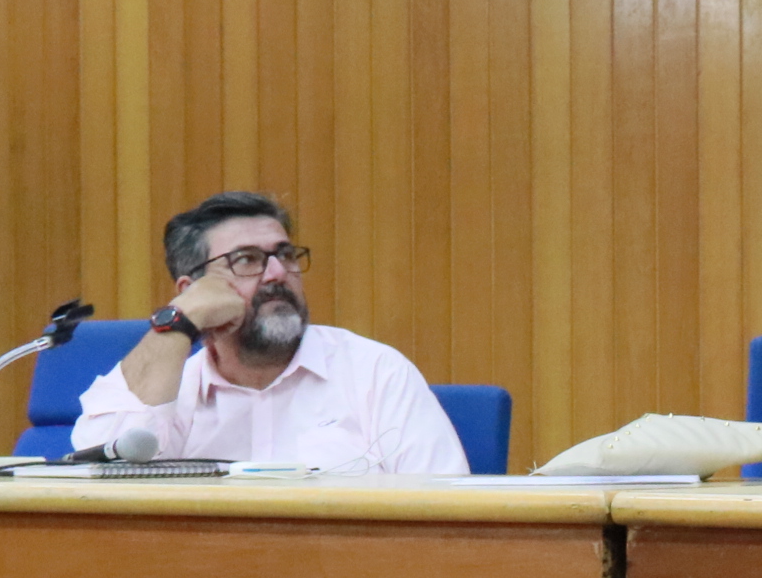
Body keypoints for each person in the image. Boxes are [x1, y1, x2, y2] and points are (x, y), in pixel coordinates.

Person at [73, 191, 468, 473]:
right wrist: (179, 319)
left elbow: (445, 515)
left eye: (286, 255)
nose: (277, 273)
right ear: (192, 290)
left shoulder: (374, 373)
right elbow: (101, 476)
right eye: (247, 260)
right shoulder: (174, 395)